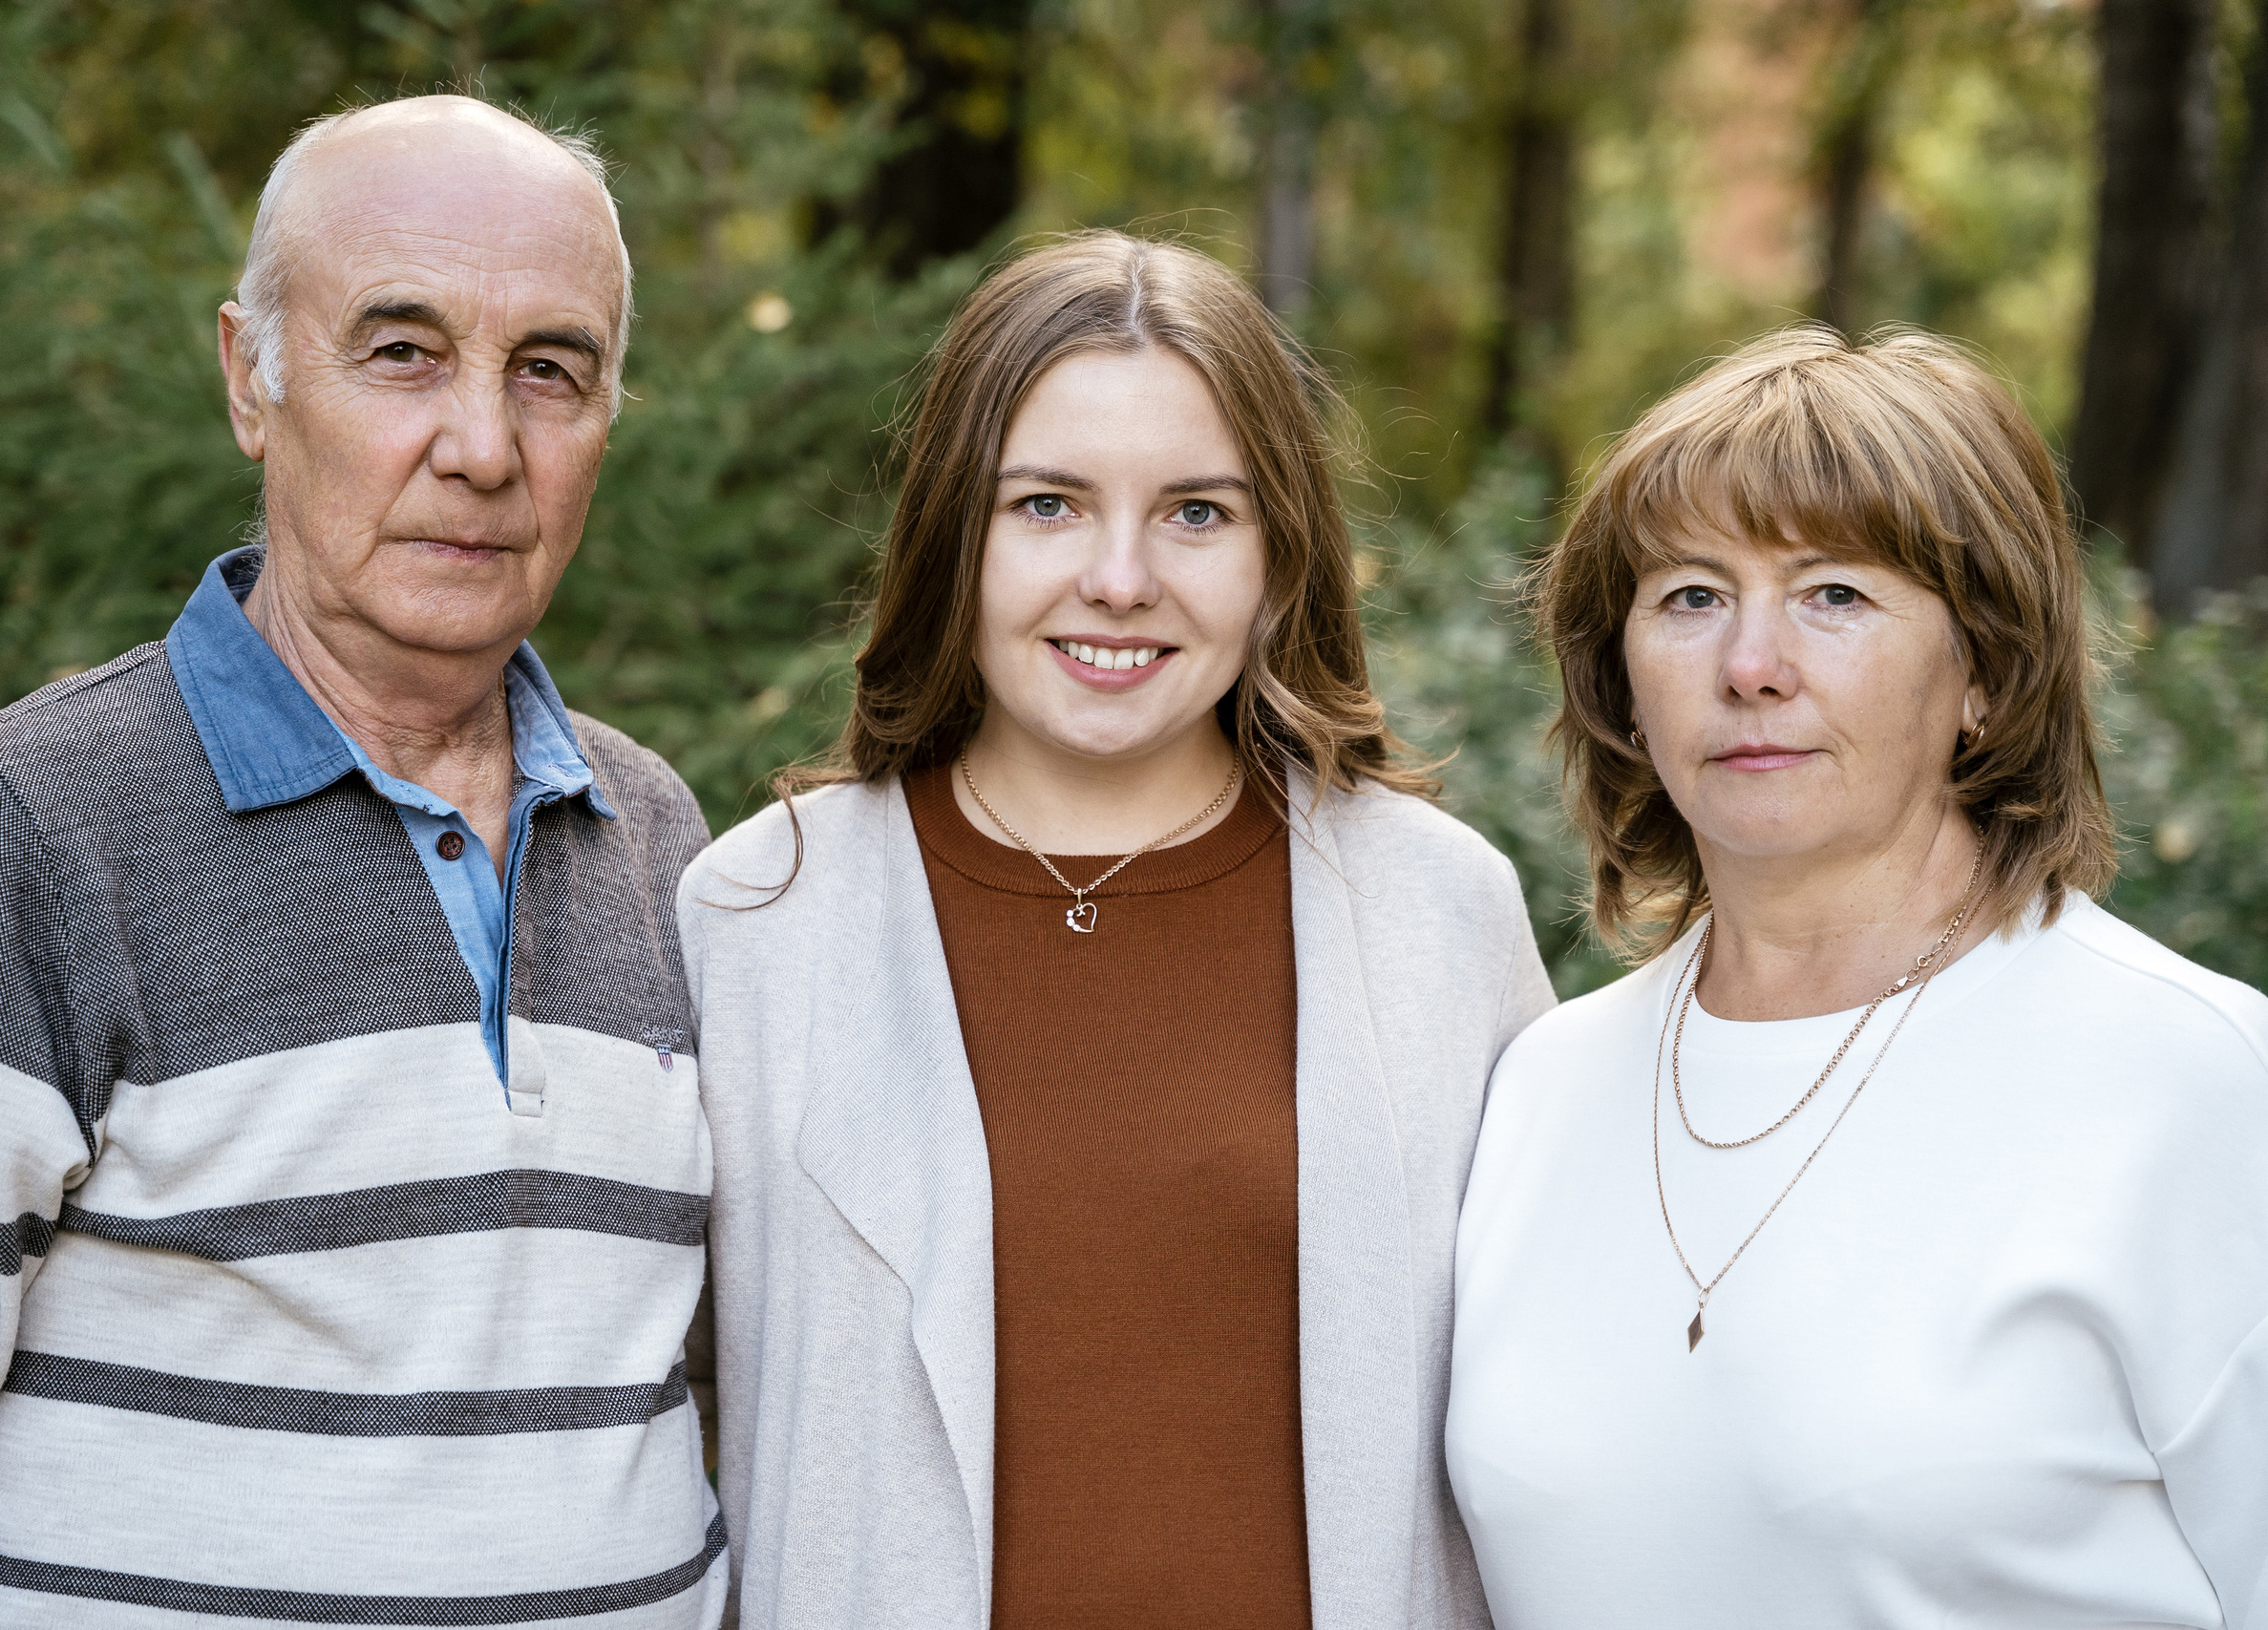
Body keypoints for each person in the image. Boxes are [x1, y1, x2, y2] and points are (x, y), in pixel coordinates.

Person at [0, 96, 725, 1627]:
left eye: (550, 373)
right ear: (253, 376)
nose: (484, 447)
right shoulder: (4, 846)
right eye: (404, 353)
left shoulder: (663, 849)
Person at [680, 230, 1553, 1630]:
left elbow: (1547, 1419)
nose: (1122, 578)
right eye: (1048, 505)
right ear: (953, 532)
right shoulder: (757, 916)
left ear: (1281, 554)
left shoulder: (1437, 912)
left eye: (1198, 512)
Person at [1447, 327, 2268, 1626]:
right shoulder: (1537, 1087)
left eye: (1835, 594)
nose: (1751, 665)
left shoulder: (2195, 1082)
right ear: (1621, 676)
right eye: (1691, 597)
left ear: (1987, 675)